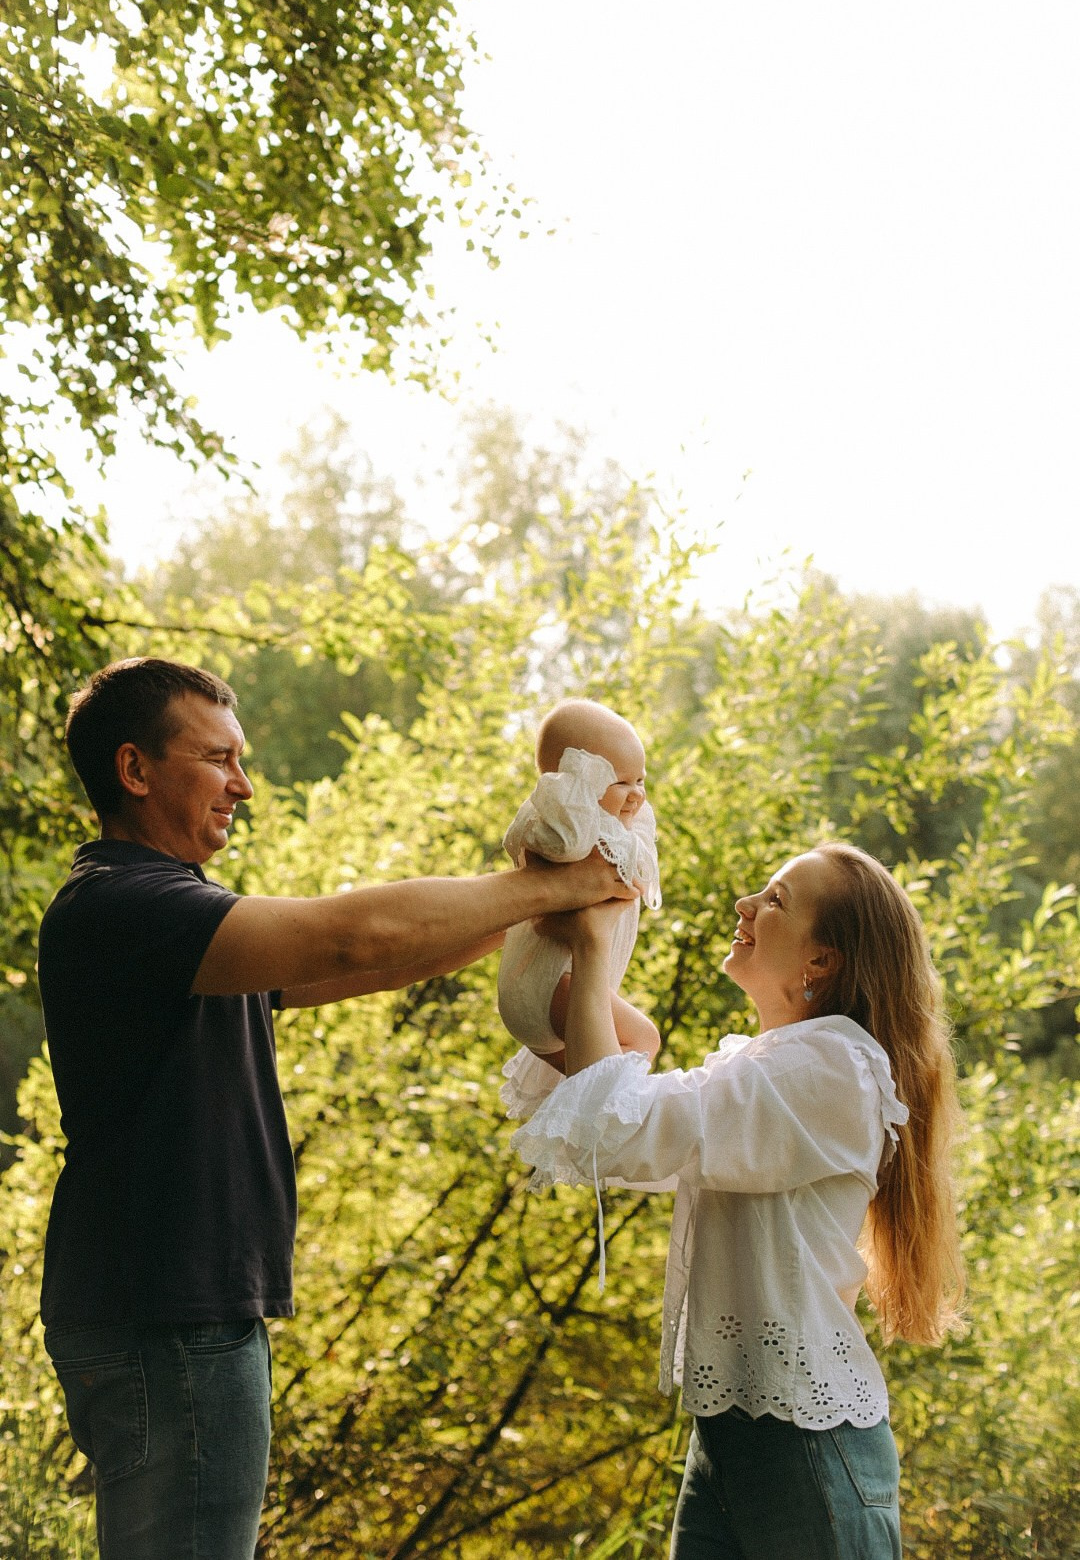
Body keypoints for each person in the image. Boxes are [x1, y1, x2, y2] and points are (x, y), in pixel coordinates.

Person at [37, 658, 638, 1560]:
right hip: (166, 1319)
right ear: (135, 770)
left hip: (174, 1315)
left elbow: (374, 962)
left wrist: (528, 897)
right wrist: (561, 888)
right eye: (218, 759)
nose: (244, 784)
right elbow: (353, 932)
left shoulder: (178, 918)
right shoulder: (122, 905)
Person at [502, 842, 965, 1559]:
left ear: (822, 962)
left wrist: (595, 952)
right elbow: (624, 1133)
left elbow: (619, 1132)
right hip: (735, 1433)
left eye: (775, 900)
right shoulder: (774, 1067)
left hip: (807, 1442)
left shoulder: (834, 1065)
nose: (746, 906)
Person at [498, 699, 662, 1071]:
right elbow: (555, 844)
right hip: (553, 984)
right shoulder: (566, 829)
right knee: (644, 1040)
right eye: (619, 782)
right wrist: (568, 797)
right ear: (573, 784)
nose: (636, 793)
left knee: (582, 1075)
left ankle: (579, 1105)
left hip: (556, 992)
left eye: (640, 779)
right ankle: (613, 1112)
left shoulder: (617, 828)